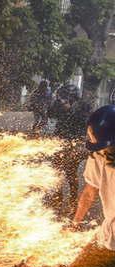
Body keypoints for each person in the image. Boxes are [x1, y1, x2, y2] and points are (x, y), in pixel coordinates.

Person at [26, 104, 115, 267]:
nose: (104, 151)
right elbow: (89, 192)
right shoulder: (97, 155)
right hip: (109, 234)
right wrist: (75, 224)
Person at [48, 84, 92, 217]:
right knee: (57, 170)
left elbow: (86, 122)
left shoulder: (83, 107)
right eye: (63, 96)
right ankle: (58, 197)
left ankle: (73, 200)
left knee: (70, 172)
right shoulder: (59, 103)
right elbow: (50, 114)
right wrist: (57, 103)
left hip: (76, 143)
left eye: (67, 97)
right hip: (60, 141)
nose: (65, 99)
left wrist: (70, 110)